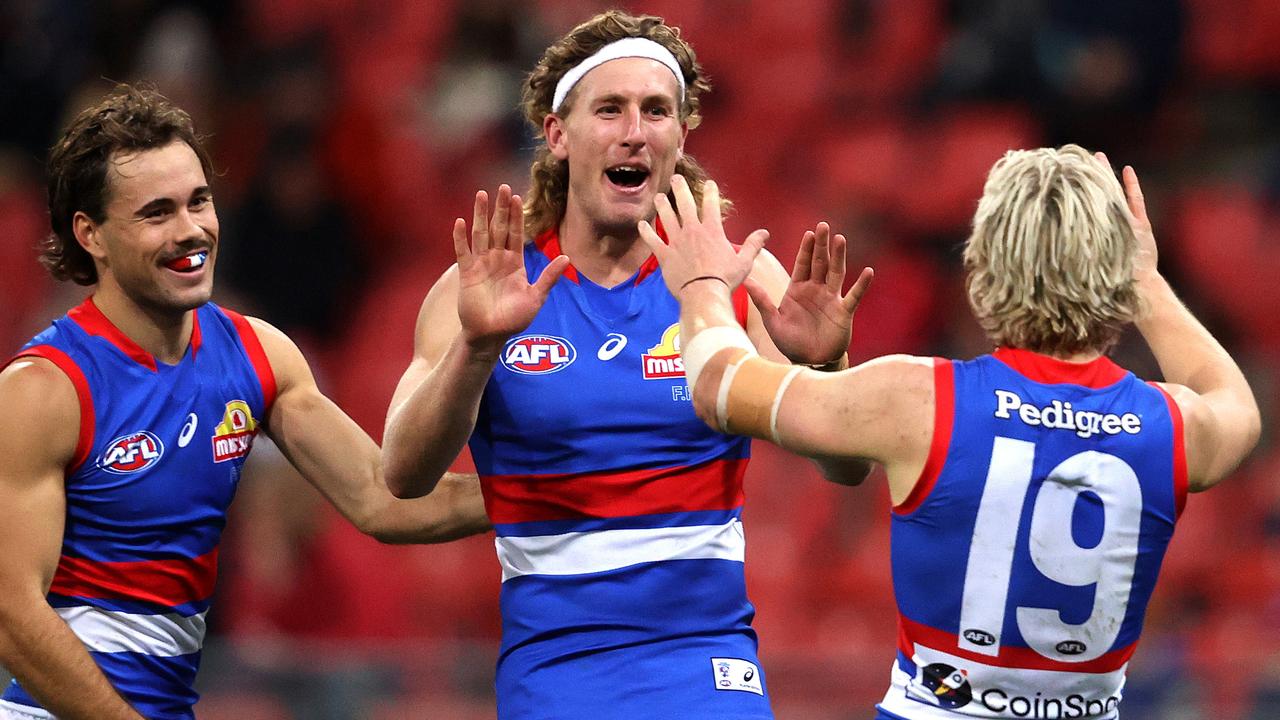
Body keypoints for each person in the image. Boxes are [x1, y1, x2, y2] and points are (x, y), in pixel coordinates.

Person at [642, 147, 1261, 719]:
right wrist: (1146, 283)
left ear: (980, 265)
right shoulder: (1172, 425)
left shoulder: (918, 399)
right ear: (1118, 275)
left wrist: (702, 285)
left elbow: (719, 384)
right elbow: (1236, 404)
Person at [382, 10, 868, 719]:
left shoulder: (732, 278)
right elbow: (402, 473)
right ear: (557, 135)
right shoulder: (485, 289)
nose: (634, 130)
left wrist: (825, 368)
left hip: (707, 664)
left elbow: (846, 468)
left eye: (656, 110)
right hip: (555, 672)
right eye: (609, 109)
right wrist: (478, 346)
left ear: (680, 135)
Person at [0, 86, 488, 720]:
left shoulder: (260, 356)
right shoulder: (43, 389)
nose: (190, 231)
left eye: (199, 201)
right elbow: (11, 611)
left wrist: (573, 485)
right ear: (90, 235)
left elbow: (382, 498)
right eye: (156, 213)